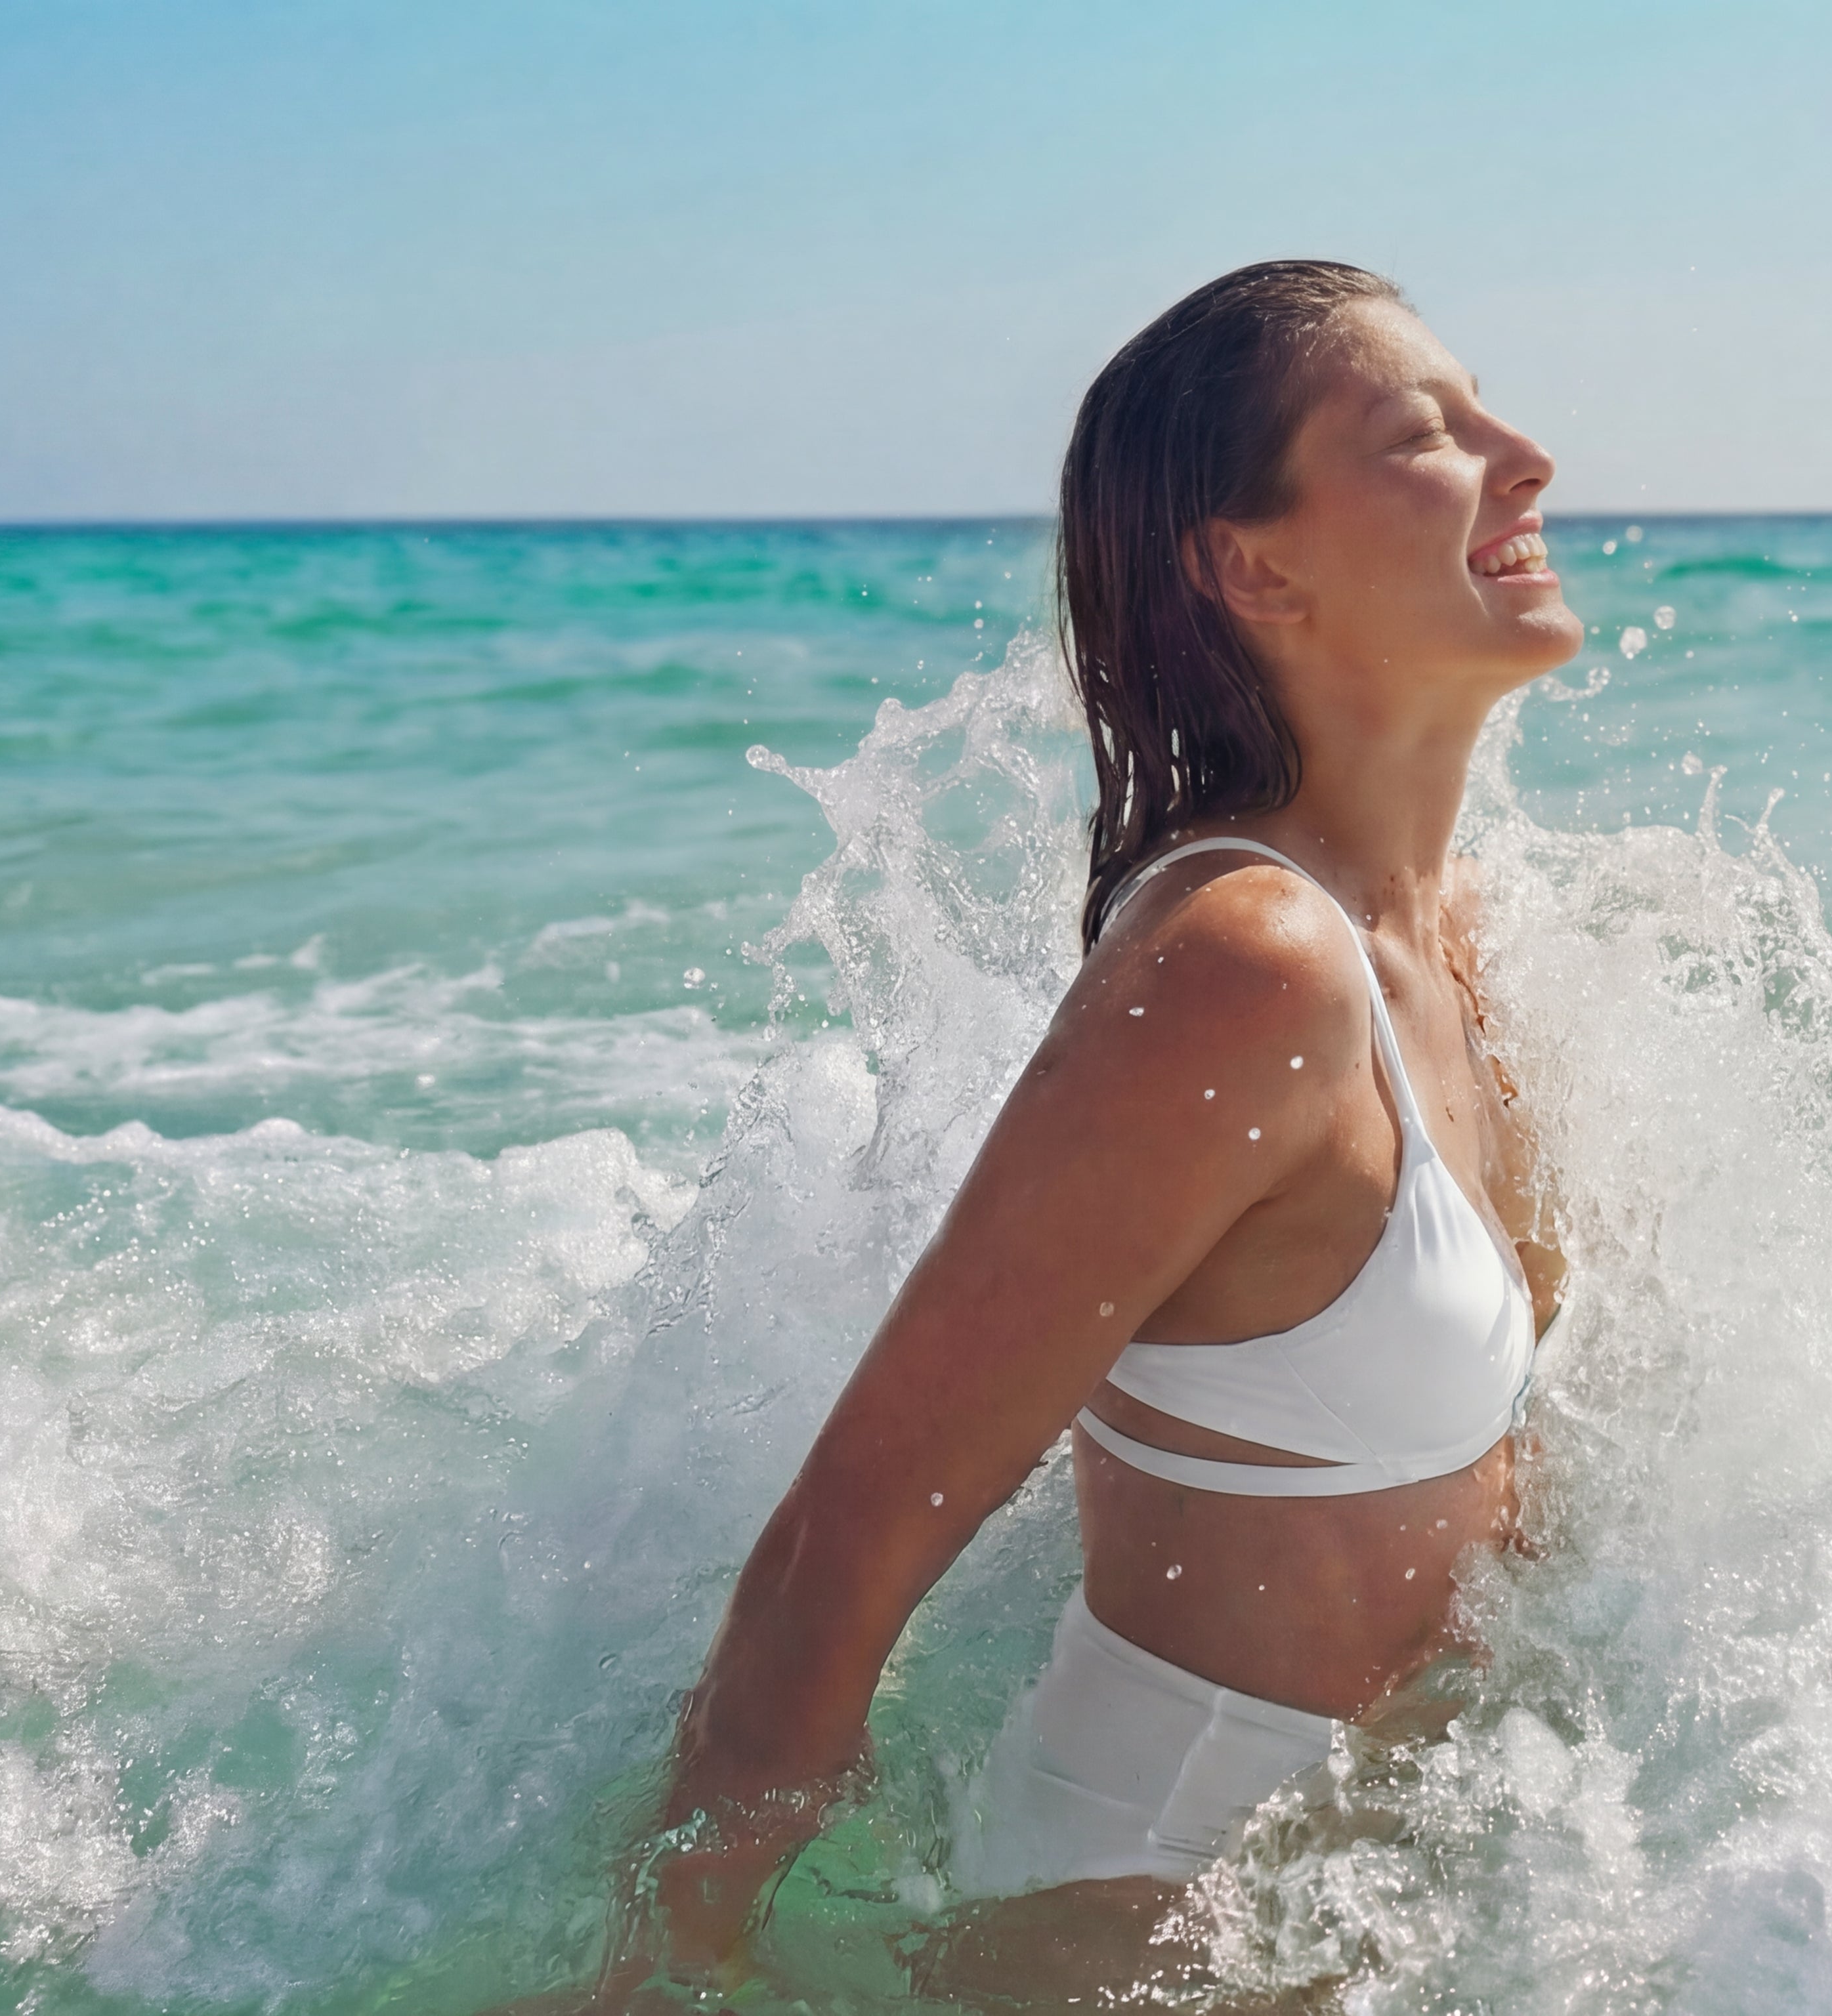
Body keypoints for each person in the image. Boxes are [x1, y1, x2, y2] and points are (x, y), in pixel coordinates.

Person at [615, 259, 1578, 2003]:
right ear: (1255, 565)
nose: (1530, 459)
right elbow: (851, 1537)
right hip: (1137, 1934)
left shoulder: (1457, 937)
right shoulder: (1245, 971)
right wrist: (662, 1966)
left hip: (1373, 1916)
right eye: (1425, 436)